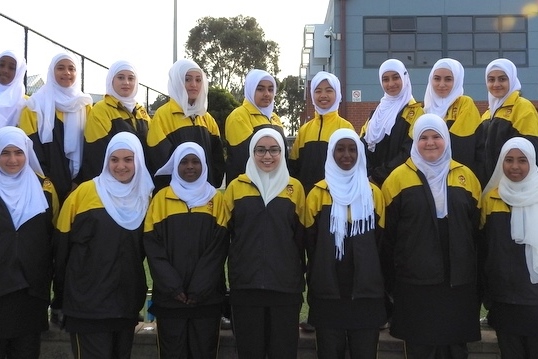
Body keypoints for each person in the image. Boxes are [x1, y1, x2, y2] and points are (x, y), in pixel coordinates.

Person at [381, 113, 482, 359]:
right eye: (423, 137)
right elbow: (388, 239)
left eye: (436, 136)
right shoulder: (397, 179)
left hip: (457, 286)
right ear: (415, 141)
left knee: (455, 350)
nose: (430, 142)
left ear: (446, 139)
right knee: (420, 350)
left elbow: (477, 233)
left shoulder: (467, 177)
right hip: (416, 287)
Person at [52, 132, 154, 359]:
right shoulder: (83, 194)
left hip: (125, 307)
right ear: (106, 160)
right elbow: (61, 252)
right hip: (86, 308)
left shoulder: (145, 199)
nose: (121, 166)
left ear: (138, 161)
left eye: (128, 159)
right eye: (114, 159)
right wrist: (59, 300)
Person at [223, 128, 306, 358]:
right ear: (252, 152)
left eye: (274, 150)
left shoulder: (295, 189)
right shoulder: (235, 188)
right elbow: (225, 238)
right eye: (260, 150)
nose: (267, 156)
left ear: (283, 152)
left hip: (285, 289)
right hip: (246, 288)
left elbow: (301, 240)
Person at [304, 128, 386, 359]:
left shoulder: (373, 194)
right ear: (331, 153)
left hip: (366, 296)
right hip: (328, 295)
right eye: (340, 149)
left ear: (360, 153)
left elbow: (380, 243)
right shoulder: (318, 194)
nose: (346, 155)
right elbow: (311, 243)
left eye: (352, 149)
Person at [144, 142, 228, 358]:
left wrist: (200, 288)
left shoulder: (217, 200)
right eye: (183, 162)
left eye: (195, 161)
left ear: (204, 165)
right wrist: (173, 287)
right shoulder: (160, 200)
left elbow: (218, 249)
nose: (190, 167)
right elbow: (153, 249)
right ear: (175, 166)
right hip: (170, 301)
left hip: (207, 300)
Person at [0, 126, 59, 359]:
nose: (13, 159)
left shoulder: (45, 189)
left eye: (18, 152)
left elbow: (54, 237)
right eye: (5, 153)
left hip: (30, 294)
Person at [480, 137, 538, 358]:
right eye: (509, 160)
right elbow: (484, 248)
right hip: (504, 300)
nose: (515, 166)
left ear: (532, 162)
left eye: (522, 160)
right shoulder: (490, 198)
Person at [19, 52, 93, 203]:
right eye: (60, 68)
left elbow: (90, 148)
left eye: (71, 68)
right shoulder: (34, 106)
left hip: (78, 185)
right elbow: (32, 151)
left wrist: (78, 182)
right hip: (44, 186)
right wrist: (48, 183)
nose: (67, 73)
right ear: (52, 72)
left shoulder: (85, 106)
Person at [146, 58, 224, 192]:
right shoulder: (163, 116)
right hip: (174, 197)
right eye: (187, 79)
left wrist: (210, 185)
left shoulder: (207, 119)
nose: (194, 84)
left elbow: (217, 159)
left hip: (204, 196)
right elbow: (158, 160)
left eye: (198, 80)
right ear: (177, 81)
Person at [81, 60, 151, 181]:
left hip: (140, 182)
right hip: (112, 182)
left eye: (131, 78)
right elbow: (98, 153)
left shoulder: (141, 111)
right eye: (120, 77)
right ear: (111, 80)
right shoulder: (101, 110)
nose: (126, 82)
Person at [288, 71, 355, 195]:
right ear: (312, 95)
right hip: (307, 198)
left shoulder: (345, 127)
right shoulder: (304, 130)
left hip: (335, 197)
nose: (323, 95)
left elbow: (352, 167)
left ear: (337, 93)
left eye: (329, 90)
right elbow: (294, 166)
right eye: (318, 91)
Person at [360, 58, 423, 187]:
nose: (391, 84)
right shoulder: (376, 113)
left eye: (395, 78)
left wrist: (378, 176)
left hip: (401, 185)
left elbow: (409, 152)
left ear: (404, 78)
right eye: (385, 79)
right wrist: (368, 175)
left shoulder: (416, 112)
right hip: (371, 185)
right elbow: (362, 146)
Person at [423, 57, 486, 186]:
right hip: (429, 180)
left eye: (448, 79)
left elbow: (462, 148)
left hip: (457, 180)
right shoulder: (425, 109)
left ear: (457, 80)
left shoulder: (464, 104)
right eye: (437, 78)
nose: (441, 84)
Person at [224, 68, 287, 186]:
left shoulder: (275, 118)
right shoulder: (239, 116)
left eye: (271, 89)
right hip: (246, 189)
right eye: (260, 89)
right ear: (250, 89)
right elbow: (245, 156)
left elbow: (283, 156)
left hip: (275, 187)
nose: (267, 94)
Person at [481, 58, 538, 180]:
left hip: (516, 182)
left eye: (502, 79)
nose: (496, 84)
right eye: (491, 80)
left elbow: (531, 150)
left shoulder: (522, 107)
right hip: (491, 184)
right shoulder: (487, 114)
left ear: (511, 80)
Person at [0, 50, 27, 128]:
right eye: (1, 65)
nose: (5, 70)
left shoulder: (24, 103)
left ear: (19, 72)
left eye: (12, 68)